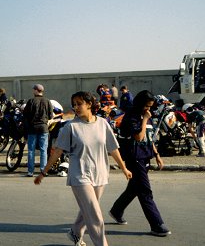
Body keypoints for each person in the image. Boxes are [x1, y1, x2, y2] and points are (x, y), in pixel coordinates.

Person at [34, 91, 132, 246]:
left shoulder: (102, 123)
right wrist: (43, 172)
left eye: (79, 103)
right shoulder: (70, 127)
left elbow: (113, 148)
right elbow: (58, 151)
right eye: (74, 104)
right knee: (95, 214)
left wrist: (124, 168)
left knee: (88, 209)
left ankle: (75, 232)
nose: (76, 107)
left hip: (100, 174)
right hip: (79, 175)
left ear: (89, 104)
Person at [109, 90, 171, 237]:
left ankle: (116, 211)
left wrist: (156, 155)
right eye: (146, 106)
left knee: (134, 188)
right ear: (140, 104)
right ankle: (157, 224)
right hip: (134, 157)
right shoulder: (132, 116)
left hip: (145, 156)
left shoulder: (146, 115)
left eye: (150, 106)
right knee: (145, 191)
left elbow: (149, 137)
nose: (148, 109)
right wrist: (144, 119)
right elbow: (138, 136)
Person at [23, 84, 53, 177]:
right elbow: (51, 115)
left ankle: (30, 171)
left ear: (36, 90)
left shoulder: (31, 101)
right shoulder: (47, 101)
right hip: (44, 128)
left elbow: (25, 115)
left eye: (34, 89)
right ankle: (43, 170)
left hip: (32, 129)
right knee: (43, 150)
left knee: (31, 150)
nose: (33, 91)